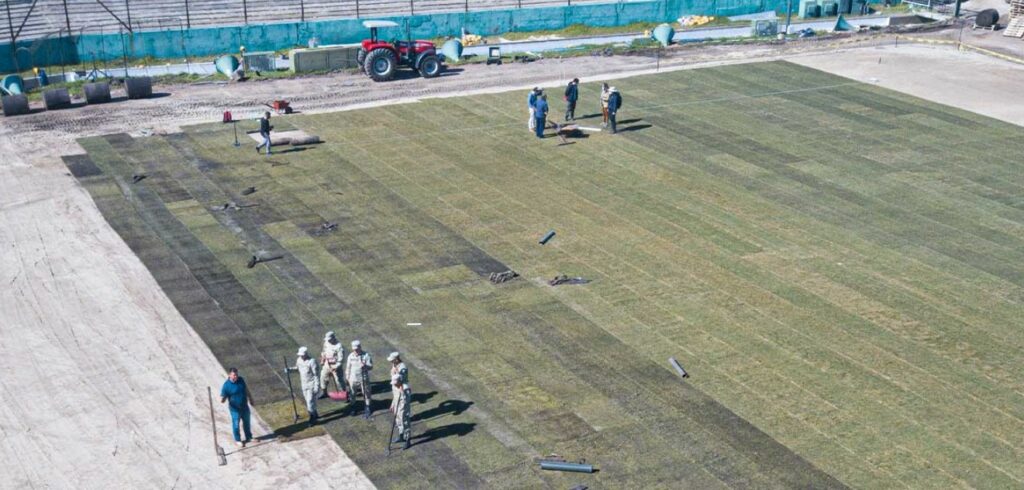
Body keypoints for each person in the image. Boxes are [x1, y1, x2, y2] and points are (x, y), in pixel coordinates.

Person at [219, 367, 254, 447]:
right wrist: (224, 398)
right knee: (236, 424)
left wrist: (251, 399)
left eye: (236, 375)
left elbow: (246, 390)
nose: (236, 377)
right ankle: (238, 440)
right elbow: (222, 399)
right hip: (235, 409)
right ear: (229, 375)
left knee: (247, 423)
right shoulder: (226, 385)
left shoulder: (241, 380)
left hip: (244, 407)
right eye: (234, 375)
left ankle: (249, 437)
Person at [288, 346, 320, 426]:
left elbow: (316, 375)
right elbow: (297, 369)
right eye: (300, 355)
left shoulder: (312, 361)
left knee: (309, 401)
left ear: (306, 354)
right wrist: (290, 370)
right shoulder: (299, 360)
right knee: (308, 401)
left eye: (302, 355)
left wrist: (316, 386)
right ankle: (315, 412)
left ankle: (312, 418)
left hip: (311, 384)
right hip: (304, 384)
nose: (301, 356)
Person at [346, 340, 373, 418]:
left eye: (357, 349)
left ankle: (367, 408)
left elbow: (371, 367)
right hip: (353, 378)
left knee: (366, 393)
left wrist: (365, 366)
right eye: (354, 349)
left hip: (363, 378)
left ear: (360, 347)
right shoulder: (350, 356)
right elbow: (348, 368)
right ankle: (353, 407)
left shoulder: (366, 355)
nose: (355, 350)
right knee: (352, 394)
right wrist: (347, 377)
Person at [319, 331, 345, 398]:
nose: (329, 341)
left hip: (336, 366)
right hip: (327, 364)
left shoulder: (339, 346)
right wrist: (322, 359)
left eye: (330, 339)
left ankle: (344, 395)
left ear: (333, 338)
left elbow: (341, 360)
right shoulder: (326, 343)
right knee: (323, 378)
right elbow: (324, 351)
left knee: (339, 381)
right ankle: (324, 392)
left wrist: (336, 367)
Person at [390, 373, 412, 450]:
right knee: (398, 422)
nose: (394, 385)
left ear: (400, 381)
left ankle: (407, 440)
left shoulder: (406, 388)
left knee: (405, 423)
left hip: (404, 409)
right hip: (396, 407)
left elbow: (407, 401)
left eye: (395, 383)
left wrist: (402, 392)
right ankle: (401, 436)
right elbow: (394, 396)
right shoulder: (394, 386)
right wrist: (392, 404)